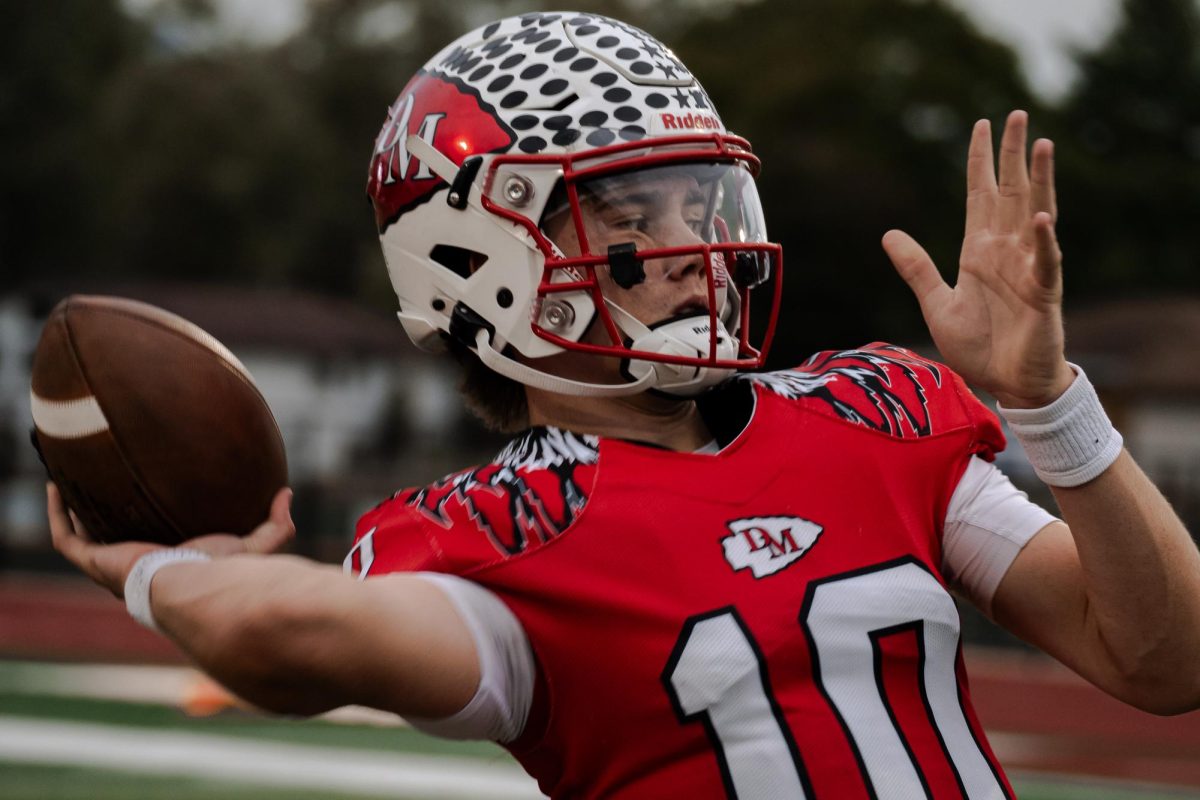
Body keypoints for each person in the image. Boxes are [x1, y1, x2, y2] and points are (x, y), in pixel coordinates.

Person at [49, 11, 1200, 799]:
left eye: (705, 203)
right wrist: (161, 569)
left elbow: (1163, 658)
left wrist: (1049, 399)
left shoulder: (872, 413)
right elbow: (279, 629)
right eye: (634, 215)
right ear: (475, 255)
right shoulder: (500, 535)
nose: (700, 248)